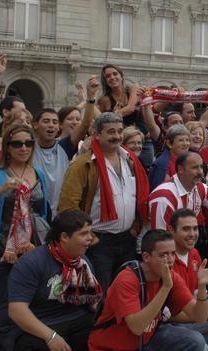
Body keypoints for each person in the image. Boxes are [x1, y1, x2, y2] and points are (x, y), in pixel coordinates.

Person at [0, 123, 49, 351]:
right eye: (17, 143)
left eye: (28, 143)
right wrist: (0, 190)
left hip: (29, 248)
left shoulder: (39, 174)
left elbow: (42, 211)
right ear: (7, 147)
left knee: (28, 301)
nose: (23, 148)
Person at [58, 112, 150, 292]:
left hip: (127, 239)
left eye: (119, 131)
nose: (116, 136)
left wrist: (136, 226)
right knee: (100, 295)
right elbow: (68, 206)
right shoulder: (83, 164)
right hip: (99, 242)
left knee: (126, 291)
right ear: (97, 134)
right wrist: (89, 237)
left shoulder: (130, 159)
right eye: (111, 132)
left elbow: (140, 197)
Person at [88, 230, 208, 351]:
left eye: (172, 254)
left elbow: (199, 317)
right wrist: (165, 288)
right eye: (163, 255)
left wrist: (202, 287)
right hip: (111, 346)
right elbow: (137, 327)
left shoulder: (170, 276)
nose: (170, 260)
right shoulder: (127, 279)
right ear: (146, 257)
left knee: (197, 341)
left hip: (147, 339)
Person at [6, 210, 100, 351]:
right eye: (83, 234)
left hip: (78, 318)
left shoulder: (83, 262)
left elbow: (93, 302)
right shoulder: (32, 262)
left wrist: (97, 303)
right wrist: (51, 337)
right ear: (64, 237)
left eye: (90, 233)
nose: (90, 238)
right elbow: (16, 310)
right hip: (44, 322)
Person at [167, 209, 208, 346]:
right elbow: (166, 315)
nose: (192, 234)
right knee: (197, 339)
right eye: (186, 229)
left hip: (194, 314)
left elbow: (198, 291)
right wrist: (204, 313)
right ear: (171, 230)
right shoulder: (165, 260)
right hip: (172, 324)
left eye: (195, 228)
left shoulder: (194, 253)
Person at [33, 85, 97, 214]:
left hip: (60, 212)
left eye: (54, 122)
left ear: (59, 127)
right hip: (35, 212)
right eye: (46, 121)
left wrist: (90, 98)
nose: (51, 125)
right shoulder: (26, 147)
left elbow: (85, 124)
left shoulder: (64, 146)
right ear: (35, 125)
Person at [96, 64, 151, 167]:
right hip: (122, 142)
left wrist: (116, 114)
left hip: (143, 141)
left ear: (121, 76)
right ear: (105, 81)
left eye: (115, 74)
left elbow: (130, 108)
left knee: (145, 170)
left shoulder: (133, 88)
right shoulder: (104, 100)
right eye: (108, 76)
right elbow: (101, 122)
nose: (112, 77)